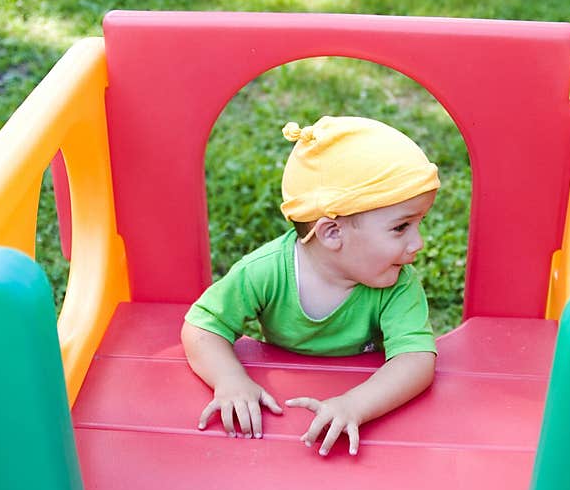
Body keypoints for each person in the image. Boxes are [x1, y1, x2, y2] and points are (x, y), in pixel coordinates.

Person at [181, 115, 440, 457]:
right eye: (401, 227)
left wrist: (356, 404)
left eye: (419, 223)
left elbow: (416, 359)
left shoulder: (397, 284)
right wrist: (229, 379)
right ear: (332, 233)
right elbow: (203, 326)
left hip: (355, 400)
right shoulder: (267, 271)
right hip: (281, 422)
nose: (418, 243)